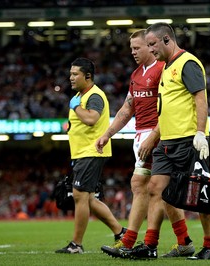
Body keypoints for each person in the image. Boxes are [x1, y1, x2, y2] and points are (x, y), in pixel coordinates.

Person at [96, 29, 195, 258]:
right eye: (132, 49)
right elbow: (127, 109)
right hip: (140, 135)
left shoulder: (163, 69)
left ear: (151, 47)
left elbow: (171, 106)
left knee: (142, 185)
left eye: (138, 48)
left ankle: (132, 241)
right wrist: (107, 134)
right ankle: (183, 241)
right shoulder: (136, 74)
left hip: (158, 134)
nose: (134, 52)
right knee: (159, 191)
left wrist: (154, 136)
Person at [127, 22, 210, 260]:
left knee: (200, 193)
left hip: (189, 140)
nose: (150, 50)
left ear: (167, 39)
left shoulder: (187, 63)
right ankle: (151, 245)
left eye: (152, 44)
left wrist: (201, 133)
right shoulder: (166, 68)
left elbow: (200, 98)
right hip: (166, 141)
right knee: (156, 189)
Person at [55, 57, 126, 254]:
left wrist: (76, 107)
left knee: (80, 196)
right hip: (82, 153)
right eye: (70, 74)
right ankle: (121, 233)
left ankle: (76, 244)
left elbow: (91, 119)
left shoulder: (93, 96)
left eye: (75, 74)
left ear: (87, 76)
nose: (71, 78)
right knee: (88, 199)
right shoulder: (82, 95)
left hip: (91, 151)